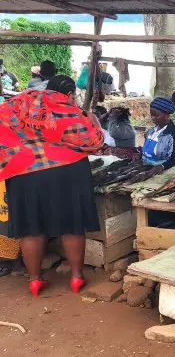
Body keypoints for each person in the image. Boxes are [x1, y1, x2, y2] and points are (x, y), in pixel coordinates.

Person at [0, 75, 104, 297]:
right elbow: (94, 141)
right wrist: (92, 119)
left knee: (31, 227)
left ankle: (35, 281)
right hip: (68, 169)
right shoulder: (69, 109)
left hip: (24, 171)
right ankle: (76, 277)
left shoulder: (22, 101)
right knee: (72, 223)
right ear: (68, 94)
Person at [143, 97, 175, 170]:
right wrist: (141, 154)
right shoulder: (151, 131)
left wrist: (163, 166)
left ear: (166, 115)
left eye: (156, 115)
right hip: (147, 168)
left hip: (166, 172)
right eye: (151, 115)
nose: (153, 118)